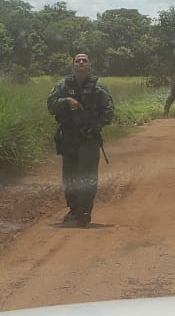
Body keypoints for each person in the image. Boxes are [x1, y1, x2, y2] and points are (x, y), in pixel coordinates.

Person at [46, 53, 115, 228]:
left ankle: (85, 211)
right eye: (78, 61)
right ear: (73, 66)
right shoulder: (62, 86)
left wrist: (96, 127)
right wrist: (67, 100)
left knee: (87, 176)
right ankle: (74, 209)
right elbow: (51, 106)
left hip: (88, 138)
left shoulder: (98, 88)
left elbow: (109, 111)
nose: (81, 63)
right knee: (69, 177)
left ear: (89, 66)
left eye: (85, 61)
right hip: (68, 138)